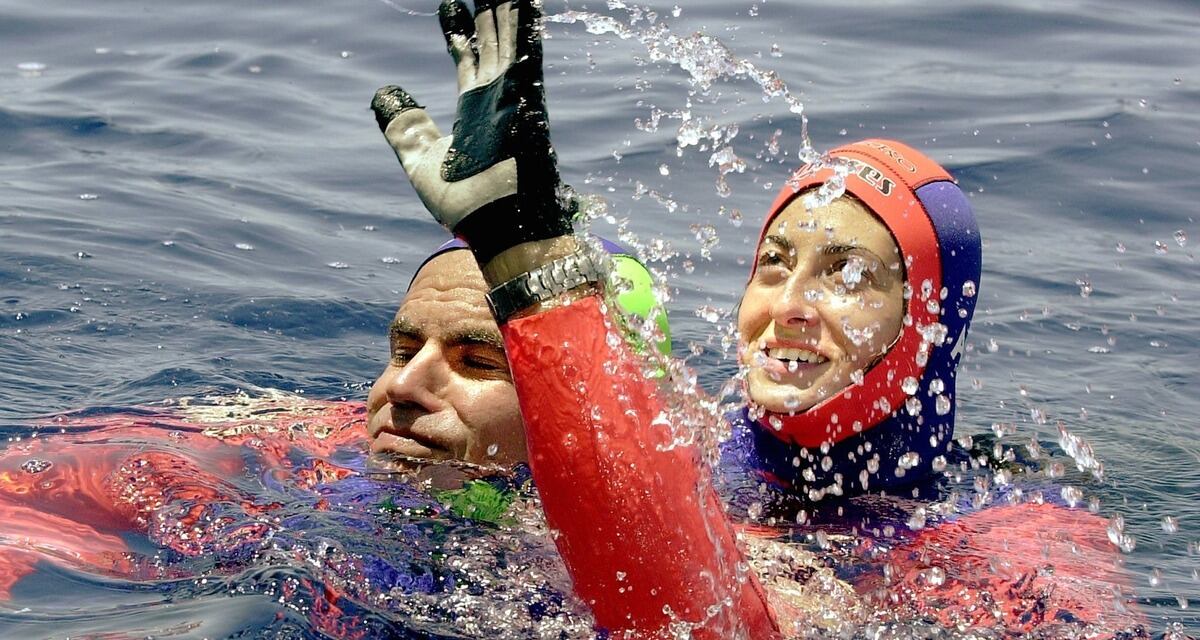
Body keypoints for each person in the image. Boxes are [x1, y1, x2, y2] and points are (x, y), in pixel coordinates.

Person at [369, 0, 1148, 637]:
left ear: (929, 322)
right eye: (773, 265)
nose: (792, 307)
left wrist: (533, 264)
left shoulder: (1018, 540)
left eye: (849, 276)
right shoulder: (680, 442)